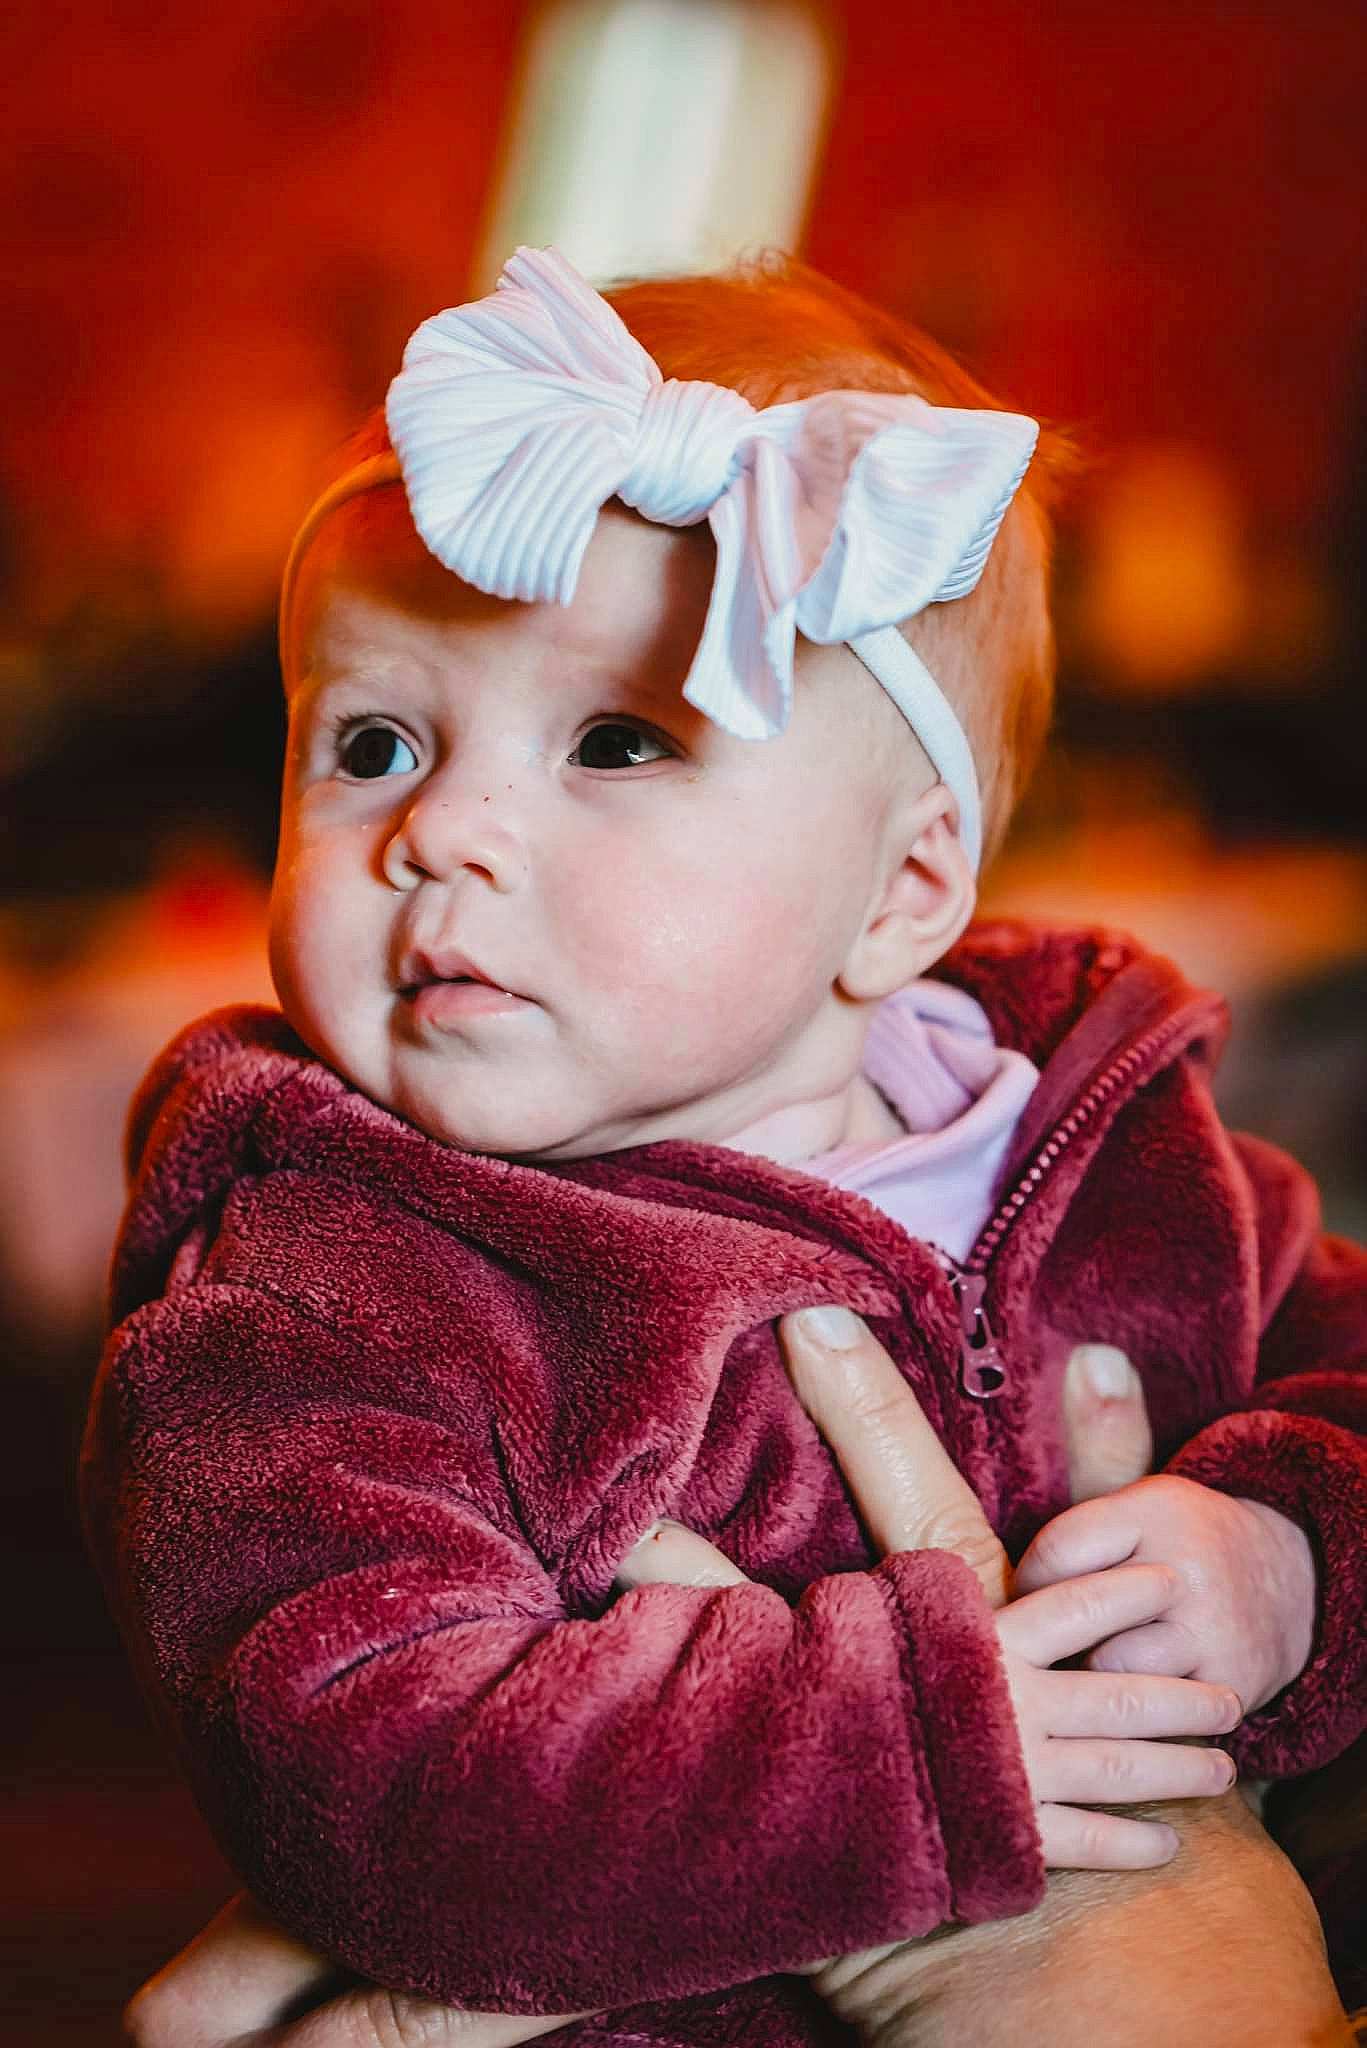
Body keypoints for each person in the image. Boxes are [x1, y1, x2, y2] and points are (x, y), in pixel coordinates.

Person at [83, 247, 1365, 2047]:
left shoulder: (1117, 1144)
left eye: (614, 740)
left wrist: (1289, 1553)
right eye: (371, 741)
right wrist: (899, 1749)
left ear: (907, 884)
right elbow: (353, 1772)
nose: (441, 831)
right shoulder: (321, 1287)